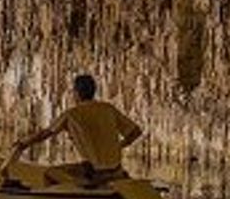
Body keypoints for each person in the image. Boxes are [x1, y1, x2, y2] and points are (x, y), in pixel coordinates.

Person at [13, 73, 142, 187]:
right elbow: (136, 132)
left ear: (76, 93)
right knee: (82, 166)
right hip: (117, 171)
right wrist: (119, 146)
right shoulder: (108, 109)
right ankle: (88, 185)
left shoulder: (71, 115)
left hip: (95, 173)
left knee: (49, 173)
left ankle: (83, 187)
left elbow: (45, 134)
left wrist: (24, 143)